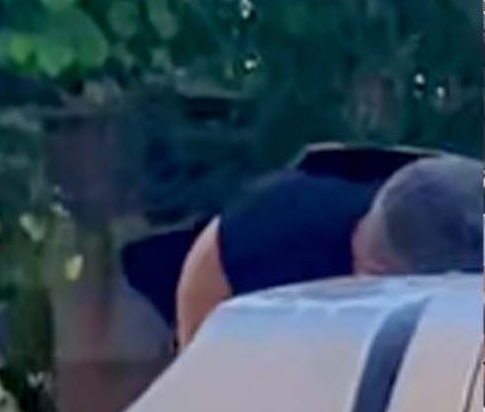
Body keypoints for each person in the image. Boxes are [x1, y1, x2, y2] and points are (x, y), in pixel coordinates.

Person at [168, 146, 484, 344]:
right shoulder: (286, 224)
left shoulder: (460, 263)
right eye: (371, 272)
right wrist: (198, 351)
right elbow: (214, 249)